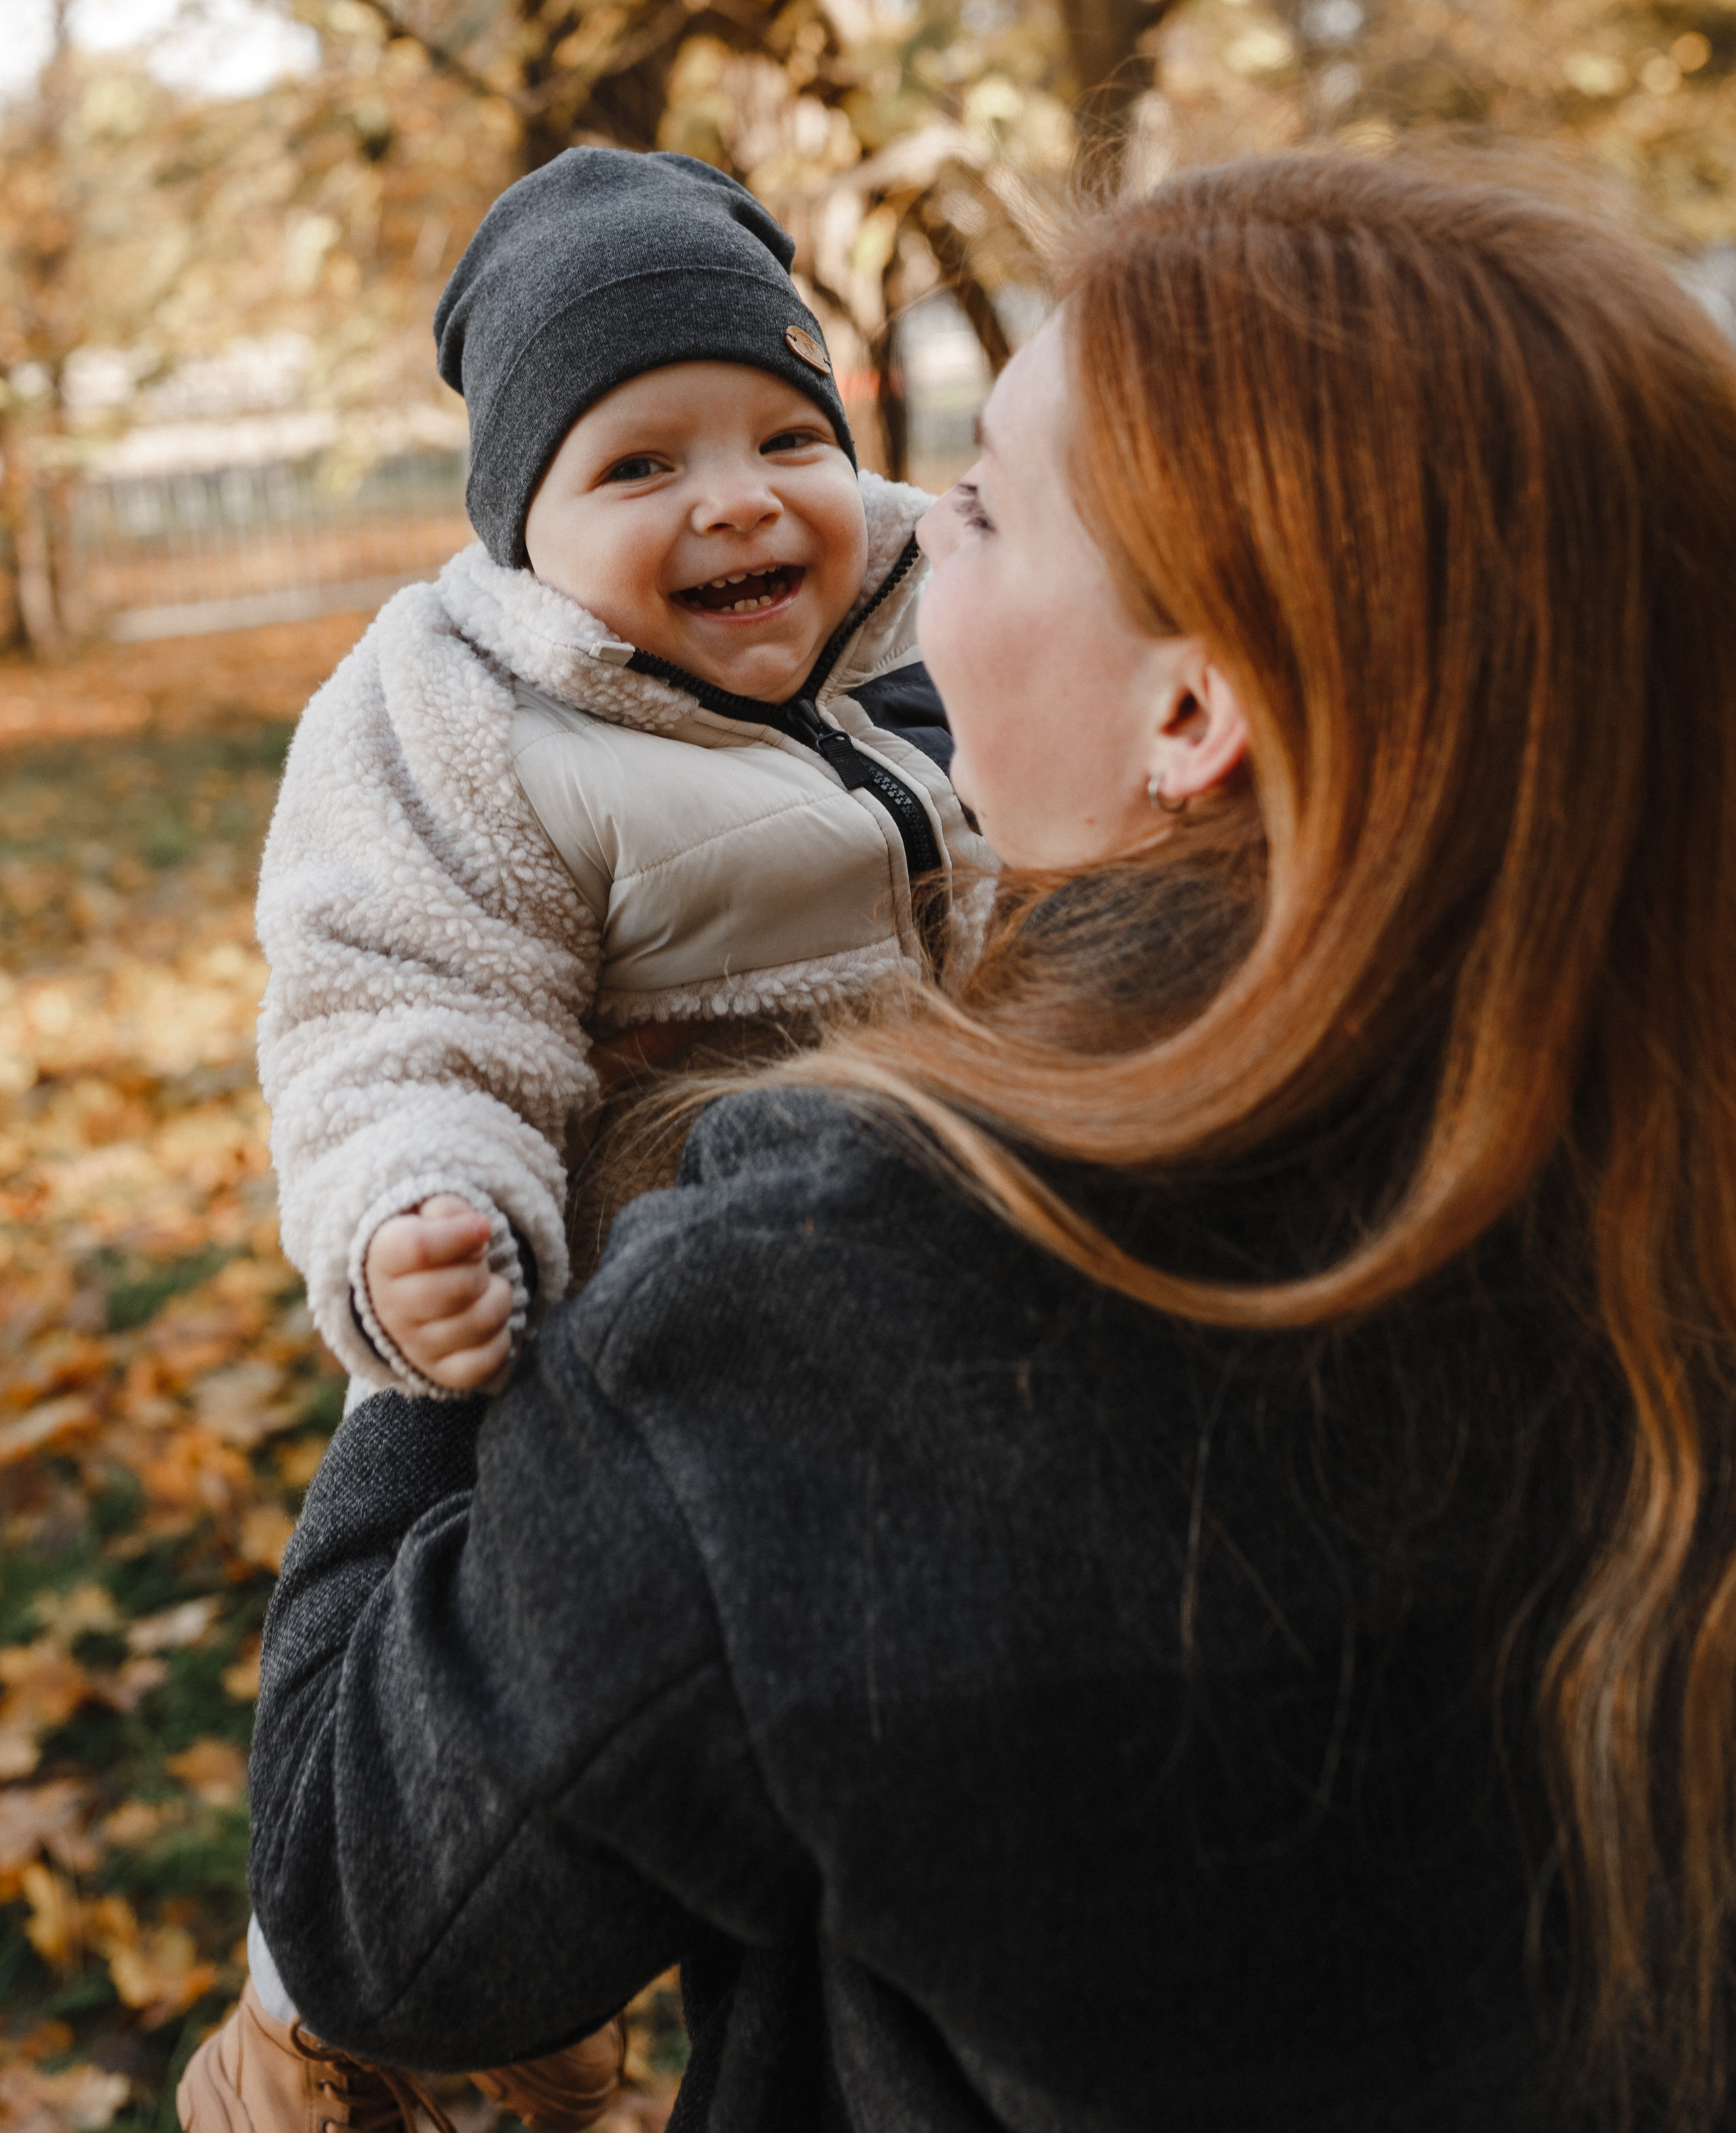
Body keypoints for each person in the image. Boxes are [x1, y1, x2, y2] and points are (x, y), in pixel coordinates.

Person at [241, 153, 1736, 2131]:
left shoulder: (831, 1309)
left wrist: (488, 1232)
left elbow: (379, 1908)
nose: (906, 538)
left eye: (989, 506)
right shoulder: (1656, 1149)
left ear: (1195, 710)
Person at [180, 148, 987, 2133]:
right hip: (592, 1242)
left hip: (909, 1224)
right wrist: (416, 1212)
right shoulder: (461, 709)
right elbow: (400, 998)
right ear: (520, 521)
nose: (737, 498)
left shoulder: (943, 593)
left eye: (789, 431)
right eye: (639, 467)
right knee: (474, 1576)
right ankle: (309, 2012)